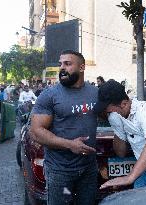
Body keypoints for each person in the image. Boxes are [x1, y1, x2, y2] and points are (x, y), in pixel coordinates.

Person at [30, 50, 98, 205]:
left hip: (89, 169)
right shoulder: (49, 95)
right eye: (60, 64)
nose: (62, 68)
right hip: (60, 172)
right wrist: (70, 145)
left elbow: (109, 116)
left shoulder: (95, 93)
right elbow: (36, 132)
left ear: (81, 68)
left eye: (67, 64)